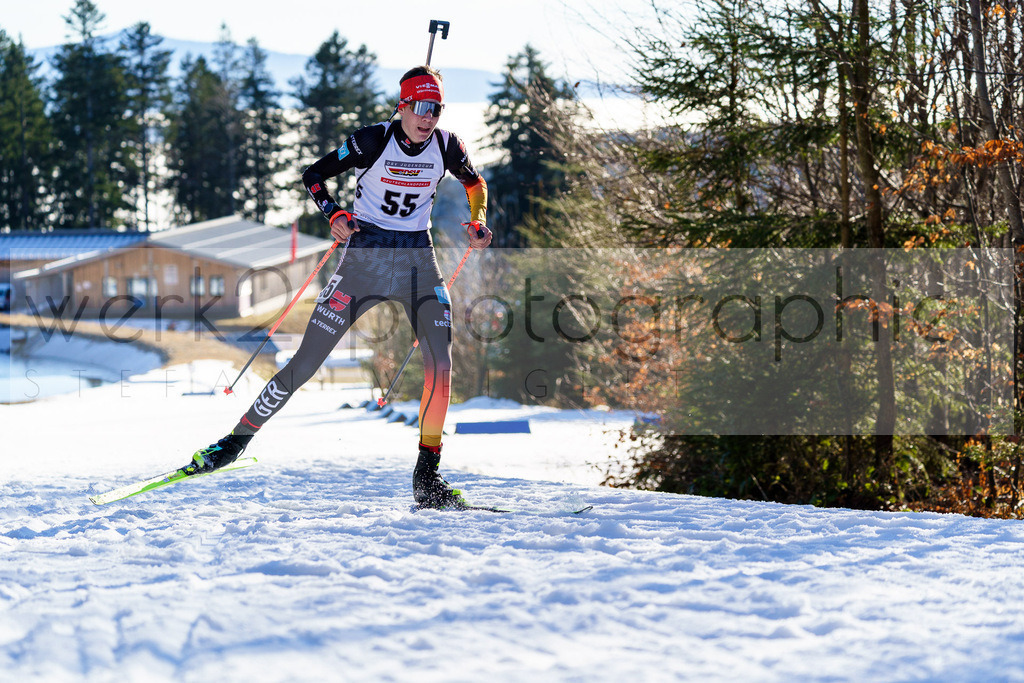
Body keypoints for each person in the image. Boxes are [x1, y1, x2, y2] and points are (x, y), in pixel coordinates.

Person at [184, 65, 492, 508]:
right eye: (421, 107)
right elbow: (313, 174)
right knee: (305, 362)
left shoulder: (447, 145)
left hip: (417, 262)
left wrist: (478, 221)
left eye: (437, 109)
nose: (429, 117)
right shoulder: (371, 140)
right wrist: (333, 214)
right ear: (403, 106)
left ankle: (427, 479)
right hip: (364, 259)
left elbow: (474, 182)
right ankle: (233, 443)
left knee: (441, 366)